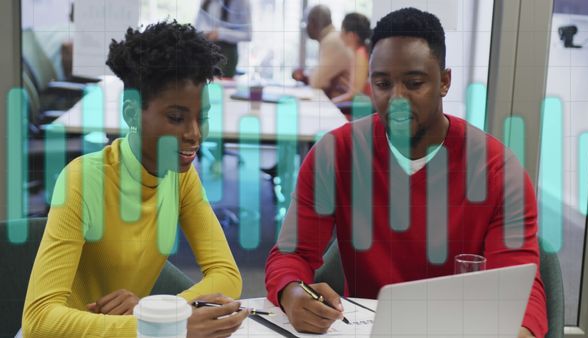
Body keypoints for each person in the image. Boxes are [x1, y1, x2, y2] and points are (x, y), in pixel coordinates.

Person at [265, 8, 547, 338]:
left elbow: (521, 291)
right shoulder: (335, 154)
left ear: (444, 81)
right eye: (383, 84)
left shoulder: (498, 171)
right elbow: (291, 254)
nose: (396, 100)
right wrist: (292, 293)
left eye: (414, 84)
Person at [22, 21, 248, 337]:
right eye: (176, 118)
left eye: (203, 117)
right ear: (131, 113)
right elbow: (38, 322)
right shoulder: (84, 180)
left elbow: (226, 274)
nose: (194, 134)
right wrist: (164, 322)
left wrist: (157, 314)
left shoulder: (180, 178)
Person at [291, 5, 353, 99]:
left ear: (314, 23)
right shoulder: (332, 38)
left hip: (344, 105)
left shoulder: (331, 41)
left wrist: (305, 77)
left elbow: (317, 82)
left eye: (307, 22)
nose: (306, 27)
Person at [195, 0, 252, 78]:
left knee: (221, 87)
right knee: (204, 85)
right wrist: (205, 32)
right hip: (205, 50)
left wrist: (221, 34)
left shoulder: (241, 2)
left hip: (226, 53)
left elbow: (248, 35)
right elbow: (198, 25)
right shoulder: (206, 2)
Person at [331, 12, 372, 104]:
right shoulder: (359, 52)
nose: (340, 34)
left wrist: (332, 102)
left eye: (342, 30)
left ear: (352, 35)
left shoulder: (360, 54)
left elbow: (355, 94)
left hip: (362, 108)